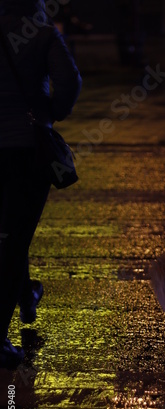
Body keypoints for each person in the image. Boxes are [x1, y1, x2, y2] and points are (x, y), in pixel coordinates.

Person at [0, 0, 82, 367]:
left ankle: (26, 292)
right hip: (25, 149)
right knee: (15, 236)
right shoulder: (45, 34)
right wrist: (50, 112)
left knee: (8, 233)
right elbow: (69, 82)